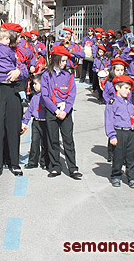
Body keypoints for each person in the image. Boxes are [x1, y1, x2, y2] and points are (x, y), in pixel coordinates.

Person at [0, 24, 28, 179]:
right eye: (10, 36)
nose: (11, 39)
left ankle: (14, 163)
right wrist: (9, 76)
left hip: (14, 92)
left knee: (13, 128)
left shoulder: (18, 51)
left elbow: (25, 71)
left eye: (13, 37)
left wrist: (19, 72)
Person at [41, 45, 82, 180]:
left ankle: (73, 168)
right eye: (63, 61)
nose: (65, 63)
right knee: (53, 139)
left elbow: (71, 94)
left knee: (68, 140)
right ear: (56, 59)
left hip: (65, 112)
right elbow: (45, 95)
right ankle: (55, 166)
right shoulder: (46, 75)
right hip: (52, 111)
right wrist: (55, 110)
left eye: (66, 61)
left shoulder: (68, 75)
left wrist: (65, 110)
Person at [105, 75, 134, 188]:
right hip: (119, 132)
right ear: (117, 87)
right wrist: (112, 135)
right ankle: (116, 175)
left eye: (129, 89)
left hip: (130, 133)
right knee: (118, 156)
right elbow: (109, 120)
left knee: (131, 157)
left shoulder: (129, 104)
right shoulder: (112, 103)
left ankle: (132, 177)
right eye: (125, 88)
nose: (128, 91)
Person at [21, 74, 49, 170]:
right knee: (35, 142)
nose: (33, 86)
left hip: (45, 122)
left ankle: (44, 161)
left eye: (36, 84)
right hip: (36, 122)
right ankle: (33, 161)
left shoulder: (47, 97)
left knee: (45, 143)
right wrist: (25, 122)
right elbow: (29, 110)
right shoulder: (34, 97)